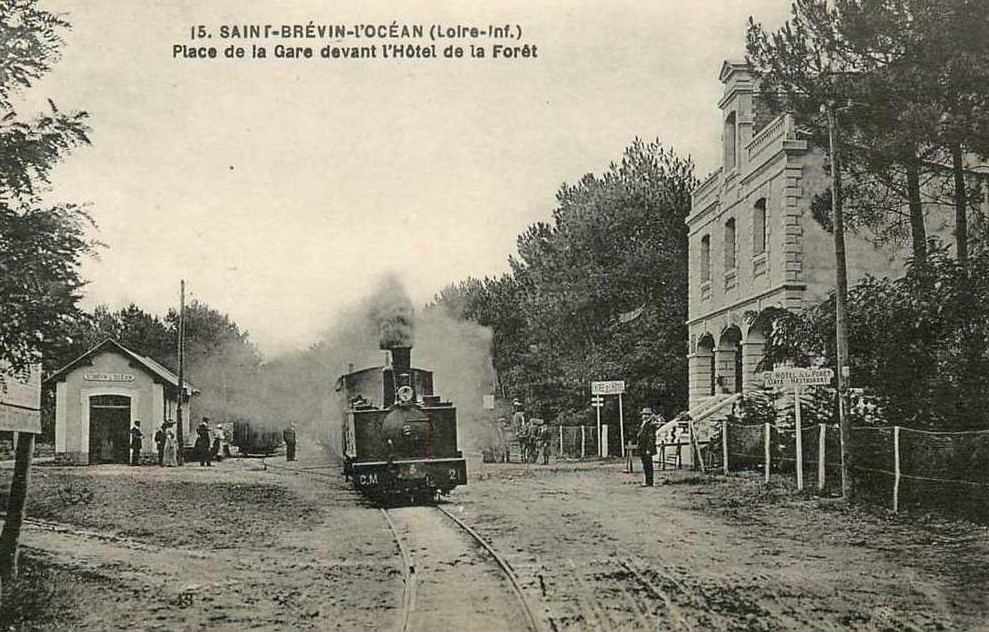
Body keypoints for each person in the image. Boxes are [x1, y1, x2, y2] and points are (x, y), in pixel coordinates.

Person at [637, 408, 659, 486]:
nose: (645, 416)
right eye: (644, 414)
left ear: (650, 416)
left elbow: (651, 438)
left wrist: (649, 449)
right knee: (645, 465)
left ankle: (649, 482)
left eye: (647, 414)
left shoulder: (650, 425)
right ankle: (647, 481)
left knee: (648, 465)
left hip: (646, 448)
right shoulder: (643, 424)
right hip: (643, 447)